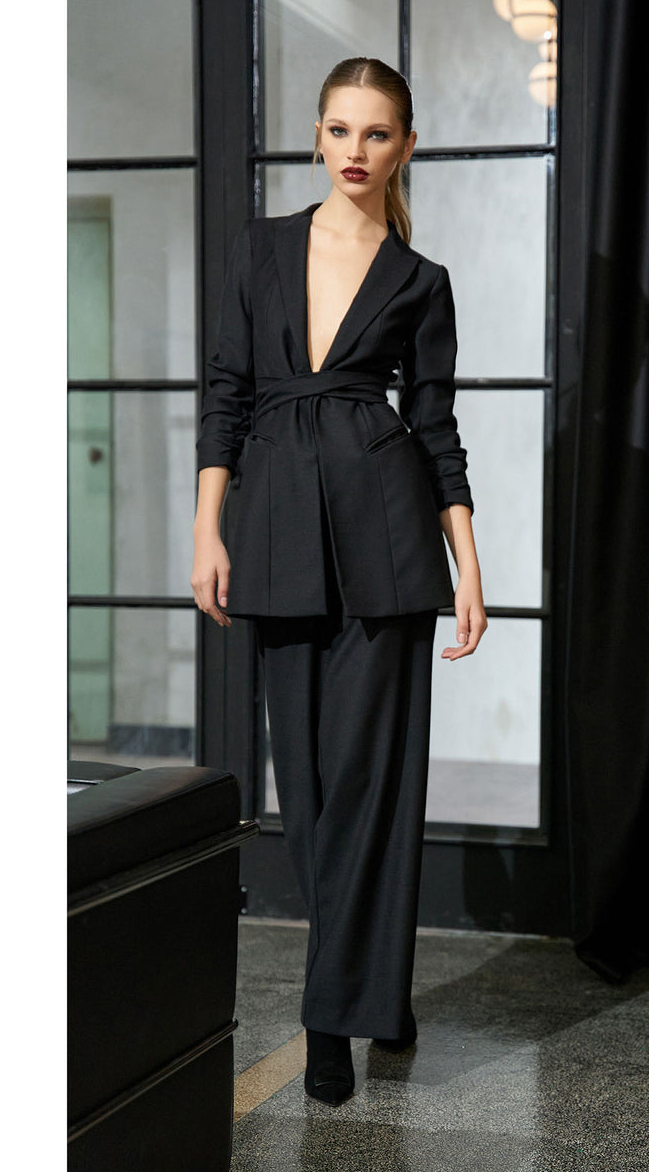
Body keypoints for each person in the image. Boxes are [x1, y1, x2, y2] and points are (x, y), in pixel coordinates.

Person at [190, 56, 486, 1106]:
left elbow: (436, 428)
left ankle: (331, 1022)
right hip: (273, 532)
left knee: (374, 786)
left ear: (404, 146)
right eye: (339, 130)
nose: (356, 151)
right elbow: (225, 393)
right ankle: (377, 990)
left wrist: (468, 563)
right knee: (310, 799)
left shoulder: (420, 281)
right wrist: (206, 531)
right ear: (317, 138)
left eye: (377, 134)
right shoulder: (260, 250)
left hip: (389, 541)